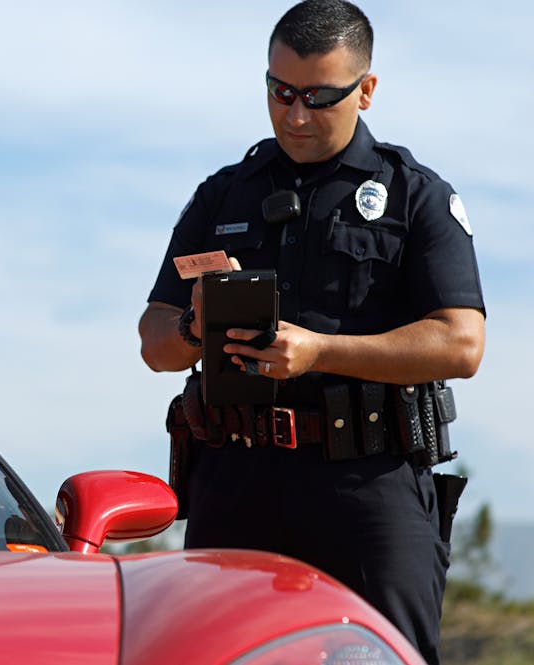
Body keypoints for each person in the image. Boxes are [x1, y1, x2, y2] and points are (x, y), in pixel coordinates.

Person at [137, 2, 485, 664]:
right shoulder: (223, 196)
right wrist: (193, 324)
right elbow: (154, 339)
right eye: (281, 92)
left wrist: (321, 351)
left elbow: (461, 343)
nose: (295, 115)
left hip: (367, 485)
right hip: (234, 479)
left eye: (319, 98)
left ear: (367, 90)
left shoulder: (415, 196)